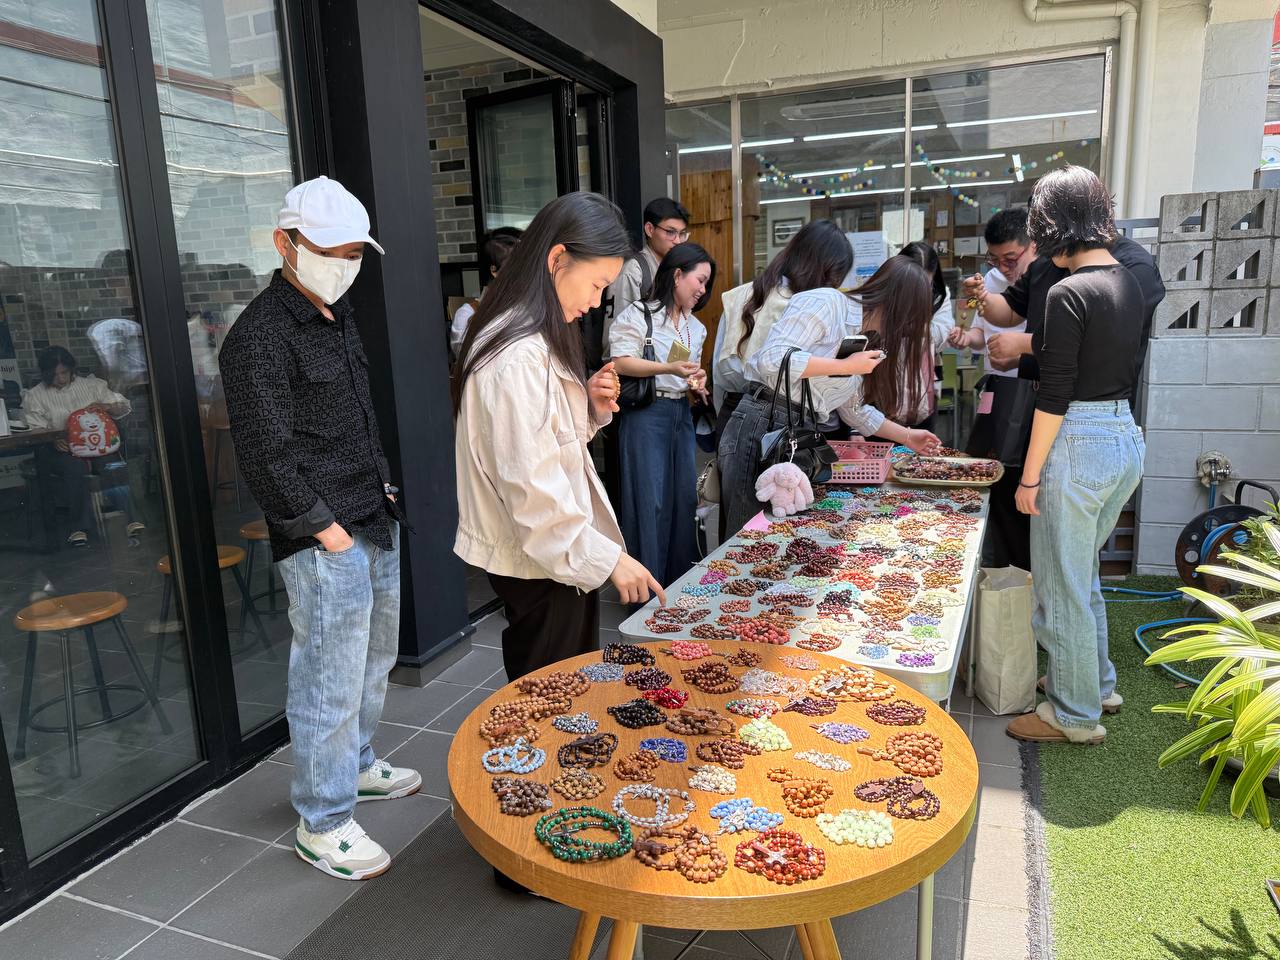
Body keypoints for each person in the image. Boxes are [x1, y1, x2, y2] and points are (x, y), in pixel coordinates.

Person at [219, 176, 414, 882]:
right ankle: (323, 819)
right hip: (324, 533)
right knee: (328, 679)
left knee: (372, 659)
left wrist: (384, 486)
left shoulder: (336, 310)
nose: (344, 264)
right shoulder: (259, 337)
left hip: (371, 509)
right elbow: (265, 455)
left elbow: (359, 409)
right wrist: (323, 530)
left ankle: (357, 767)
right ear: (285, 244)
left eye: (354, 253)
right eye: (330, 252)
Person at [453, 190, 666, 683]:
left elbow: (537, 445)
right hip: (544, 556)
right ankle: (548, 763)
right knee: (553, 695)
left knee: (558, 691)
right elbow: (532, 488)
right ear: (556, 260)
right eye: (595, 285)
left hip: (550, 552)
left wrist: (586, 408)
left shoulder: (530, 334)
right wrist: (610, 559)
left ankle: (553, 760)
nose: (595, 302)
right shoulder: (518, 352)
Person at [1004, 166, 1146, 746]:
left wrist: (1029, 477)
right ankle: (1097, 683)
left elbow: (1055, 393)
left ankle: (1072, 713)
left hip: (1079, 443)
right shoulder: (1128, 280)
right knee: (1082, 574)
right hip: (1123, 438)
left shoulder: (1067, 293)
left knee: (1060, 586)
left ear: (1053, 227)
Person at [961, 184, 1163, 571]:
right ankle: (1019, 602)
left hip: (1078, 421)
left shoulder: (1123, 271)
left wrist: (1025, 344)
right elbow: (1009, 310)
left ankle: (1039, 614)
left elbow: (1087, 356)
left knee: (1061, 579)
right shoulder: (1056, 266)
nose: (1040, 242)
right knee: (1064, 570)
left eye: (1040, 229)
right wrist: (981, 298)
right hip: (1043, 414)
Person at [717, 258, 942, 534]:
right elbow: (772, 360)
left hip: (797, 435)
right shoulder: (827, 303)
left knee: (778, 538)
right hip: (762, 425)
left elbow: (855, 411)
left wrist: (908, 436)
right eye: (910, 319)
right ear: (900, 308)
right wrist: (846, 366)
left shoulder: (862, 337)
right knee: (747, 535)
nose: (907, 328)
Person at [608, 242, 714, 588]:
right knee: (648, 499)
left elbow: (686, 371)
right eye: (700, 280)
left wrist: (697, 381)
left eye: (706, 284)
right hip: (646, 415)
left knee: (683, 497)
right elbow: (620, 361)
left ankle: (678, 585)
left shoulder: (695, 327)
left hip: (680, 412)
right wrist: (668, 366)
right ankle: (645, 589)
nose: (703, 290)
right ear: (678, 274)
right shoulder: (639, 314)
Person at [23, 345, 144, 547]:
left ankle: (130, 518)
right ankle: (79, 527)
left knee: (111, 464)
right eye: (55, 375)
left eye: (65, 372)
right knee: (75, 468)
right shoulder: (36, 395)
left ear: (71, 369)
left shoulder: (92, 386)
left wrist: (106, 406)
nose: (61, 378)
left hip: (98, 444)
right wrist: (52, 439)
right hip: (63, 448)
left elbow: (123, 406)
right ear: (46, 374)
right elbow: (34, 427)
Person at [947, 208, 1034, 378]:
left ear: (1033, 245)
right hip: (993, 378)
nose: (1002, 268)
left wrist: (1020, 346)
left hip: (1033, 384)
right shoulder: (989, 280)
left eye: (1010, 260)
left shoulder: (1045, 283)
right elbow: (981, 332)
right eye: (994, 260)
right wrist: (966, 337)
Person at [450, 227, 521, 361]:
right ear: (494, 270)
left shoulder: (530, 308)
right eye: (515, 265)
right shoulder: (466, 315)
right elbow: (468, 361)